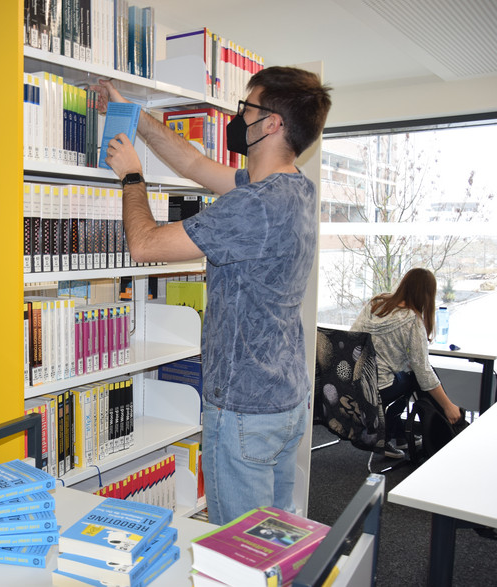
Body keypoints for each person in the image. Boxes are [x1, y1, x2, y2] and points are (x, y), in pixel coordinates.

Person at [93, 66, 332, 525]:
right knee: (273, 541)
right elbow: (193, 165)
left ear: (272, 123)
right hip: (284, 400)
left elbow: (145, 244)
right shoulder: (294, 190)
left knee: (239, 554)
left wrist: (132, 177)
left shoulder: (253, 207)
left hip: (244, 410)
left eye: (248, 108)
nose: (240, 116)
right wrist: (134, 116)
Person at [351, 267, 462, 459]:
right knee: (417, 379)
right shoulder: (412, 320)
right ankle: (424, 436)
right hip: (377, 387)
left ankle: (400, 433)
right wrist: (448, 405)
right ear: (427, 295)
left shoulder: (377, 302)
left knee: (413, 374)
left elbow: (354, 336)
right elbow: (424, 373)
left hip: (352, 379)